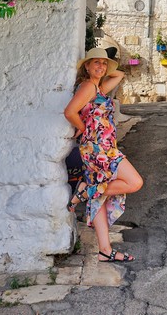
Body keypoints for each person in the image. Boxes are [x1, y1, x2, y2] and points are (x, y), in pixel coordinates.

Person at [64, 47, 144, 263]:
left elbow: (119, 74)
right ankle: (87, 190)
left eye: (103, 63)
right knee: (134, 182)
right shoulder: (89, 86)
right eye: (95, 62)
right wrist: (83, 128)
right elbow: (70, 112)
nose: (101, 66)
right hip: (99, 148)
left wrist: (103, 72)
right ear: (87, 66)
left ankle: (105, 250)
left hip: (102, 146)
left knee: (100, 197)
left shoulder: (97, 87)